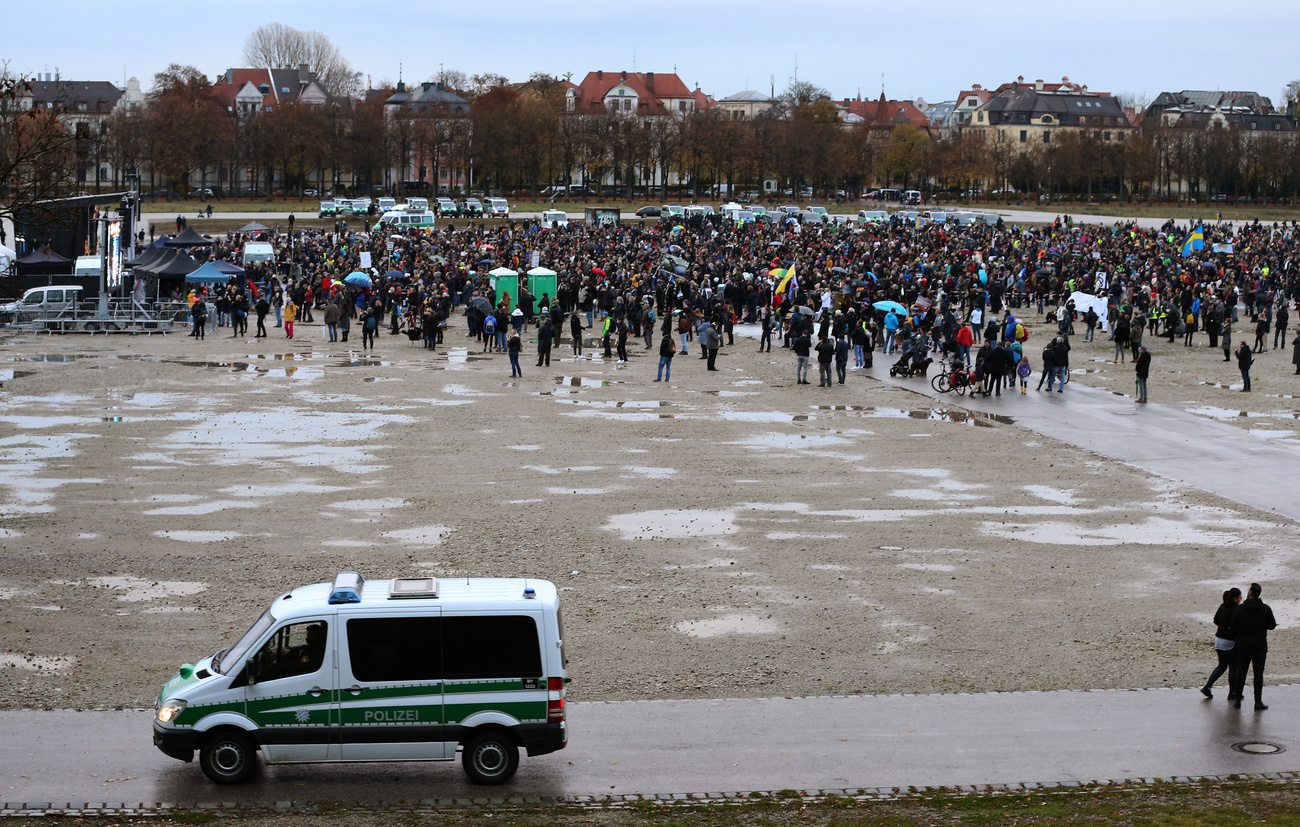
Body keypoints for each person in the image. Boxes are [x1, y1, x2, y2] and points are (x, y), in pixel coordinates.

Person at [1228, 583, 1277, 710]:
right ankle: (1258, 701)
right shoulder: (1265, 609)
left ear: (1249, 593)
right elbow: (1272, 625)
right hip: (1259, 646)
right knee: (1258, 674)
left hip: (1243, 645)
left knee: (1241, 673)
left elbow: (1233, 627)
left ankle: (1237, 699)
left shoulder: (1240, 609)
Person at [1201, 588, 1241, 699]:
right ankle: (1232, 693)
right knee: (1233, 667)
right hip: (1230, 641)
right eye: (1240, 598)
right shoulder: (1237, 610)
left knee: (1222, 665)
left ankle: (1207, 687)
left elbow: (1215, 620)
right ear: (1235, 598)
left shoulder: (1222, 606)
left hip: (1219, 639)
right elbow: (1237, 626)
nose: (1240, 600)